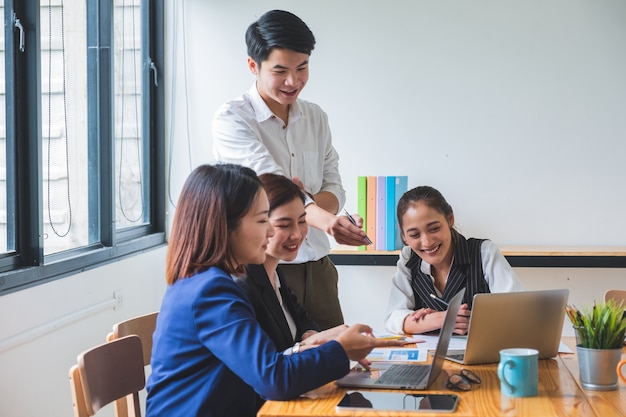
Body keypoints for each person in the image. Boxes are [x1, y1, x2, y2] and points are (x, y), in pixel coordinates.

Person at [146, 164, 402, 417]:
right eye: (261, 220)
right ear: (225, 225)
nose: (270, 231)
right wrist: (341, 350)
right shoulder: (211, 290)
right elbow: (273, 377)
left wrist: (323, 343)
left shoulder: (207, 282)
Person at [212, 9, 368, 330]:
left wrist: (302, 202)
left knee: (338, 359)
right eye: (280, 70)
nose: (293, 81)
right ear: (253, 66)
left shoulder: (316, 117)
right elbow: (274, 189)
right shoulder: (233, 120)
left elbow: (334, 189)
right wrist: (322, 218)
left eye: (302, 68)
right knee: (282, 367)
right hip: (263, 264)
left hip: (319, 265)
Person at [384, 185, 525, 336]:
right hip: (428, 357)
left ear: (450, 219)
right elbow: (393, 318)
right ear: (404, 236)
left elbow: (519, 311)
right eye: (414, 235)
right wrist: (439, 319)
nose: (426, 242)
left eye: (434, 229)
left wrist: (478, 323)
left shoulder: (483, 252)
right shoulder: (408, 258)